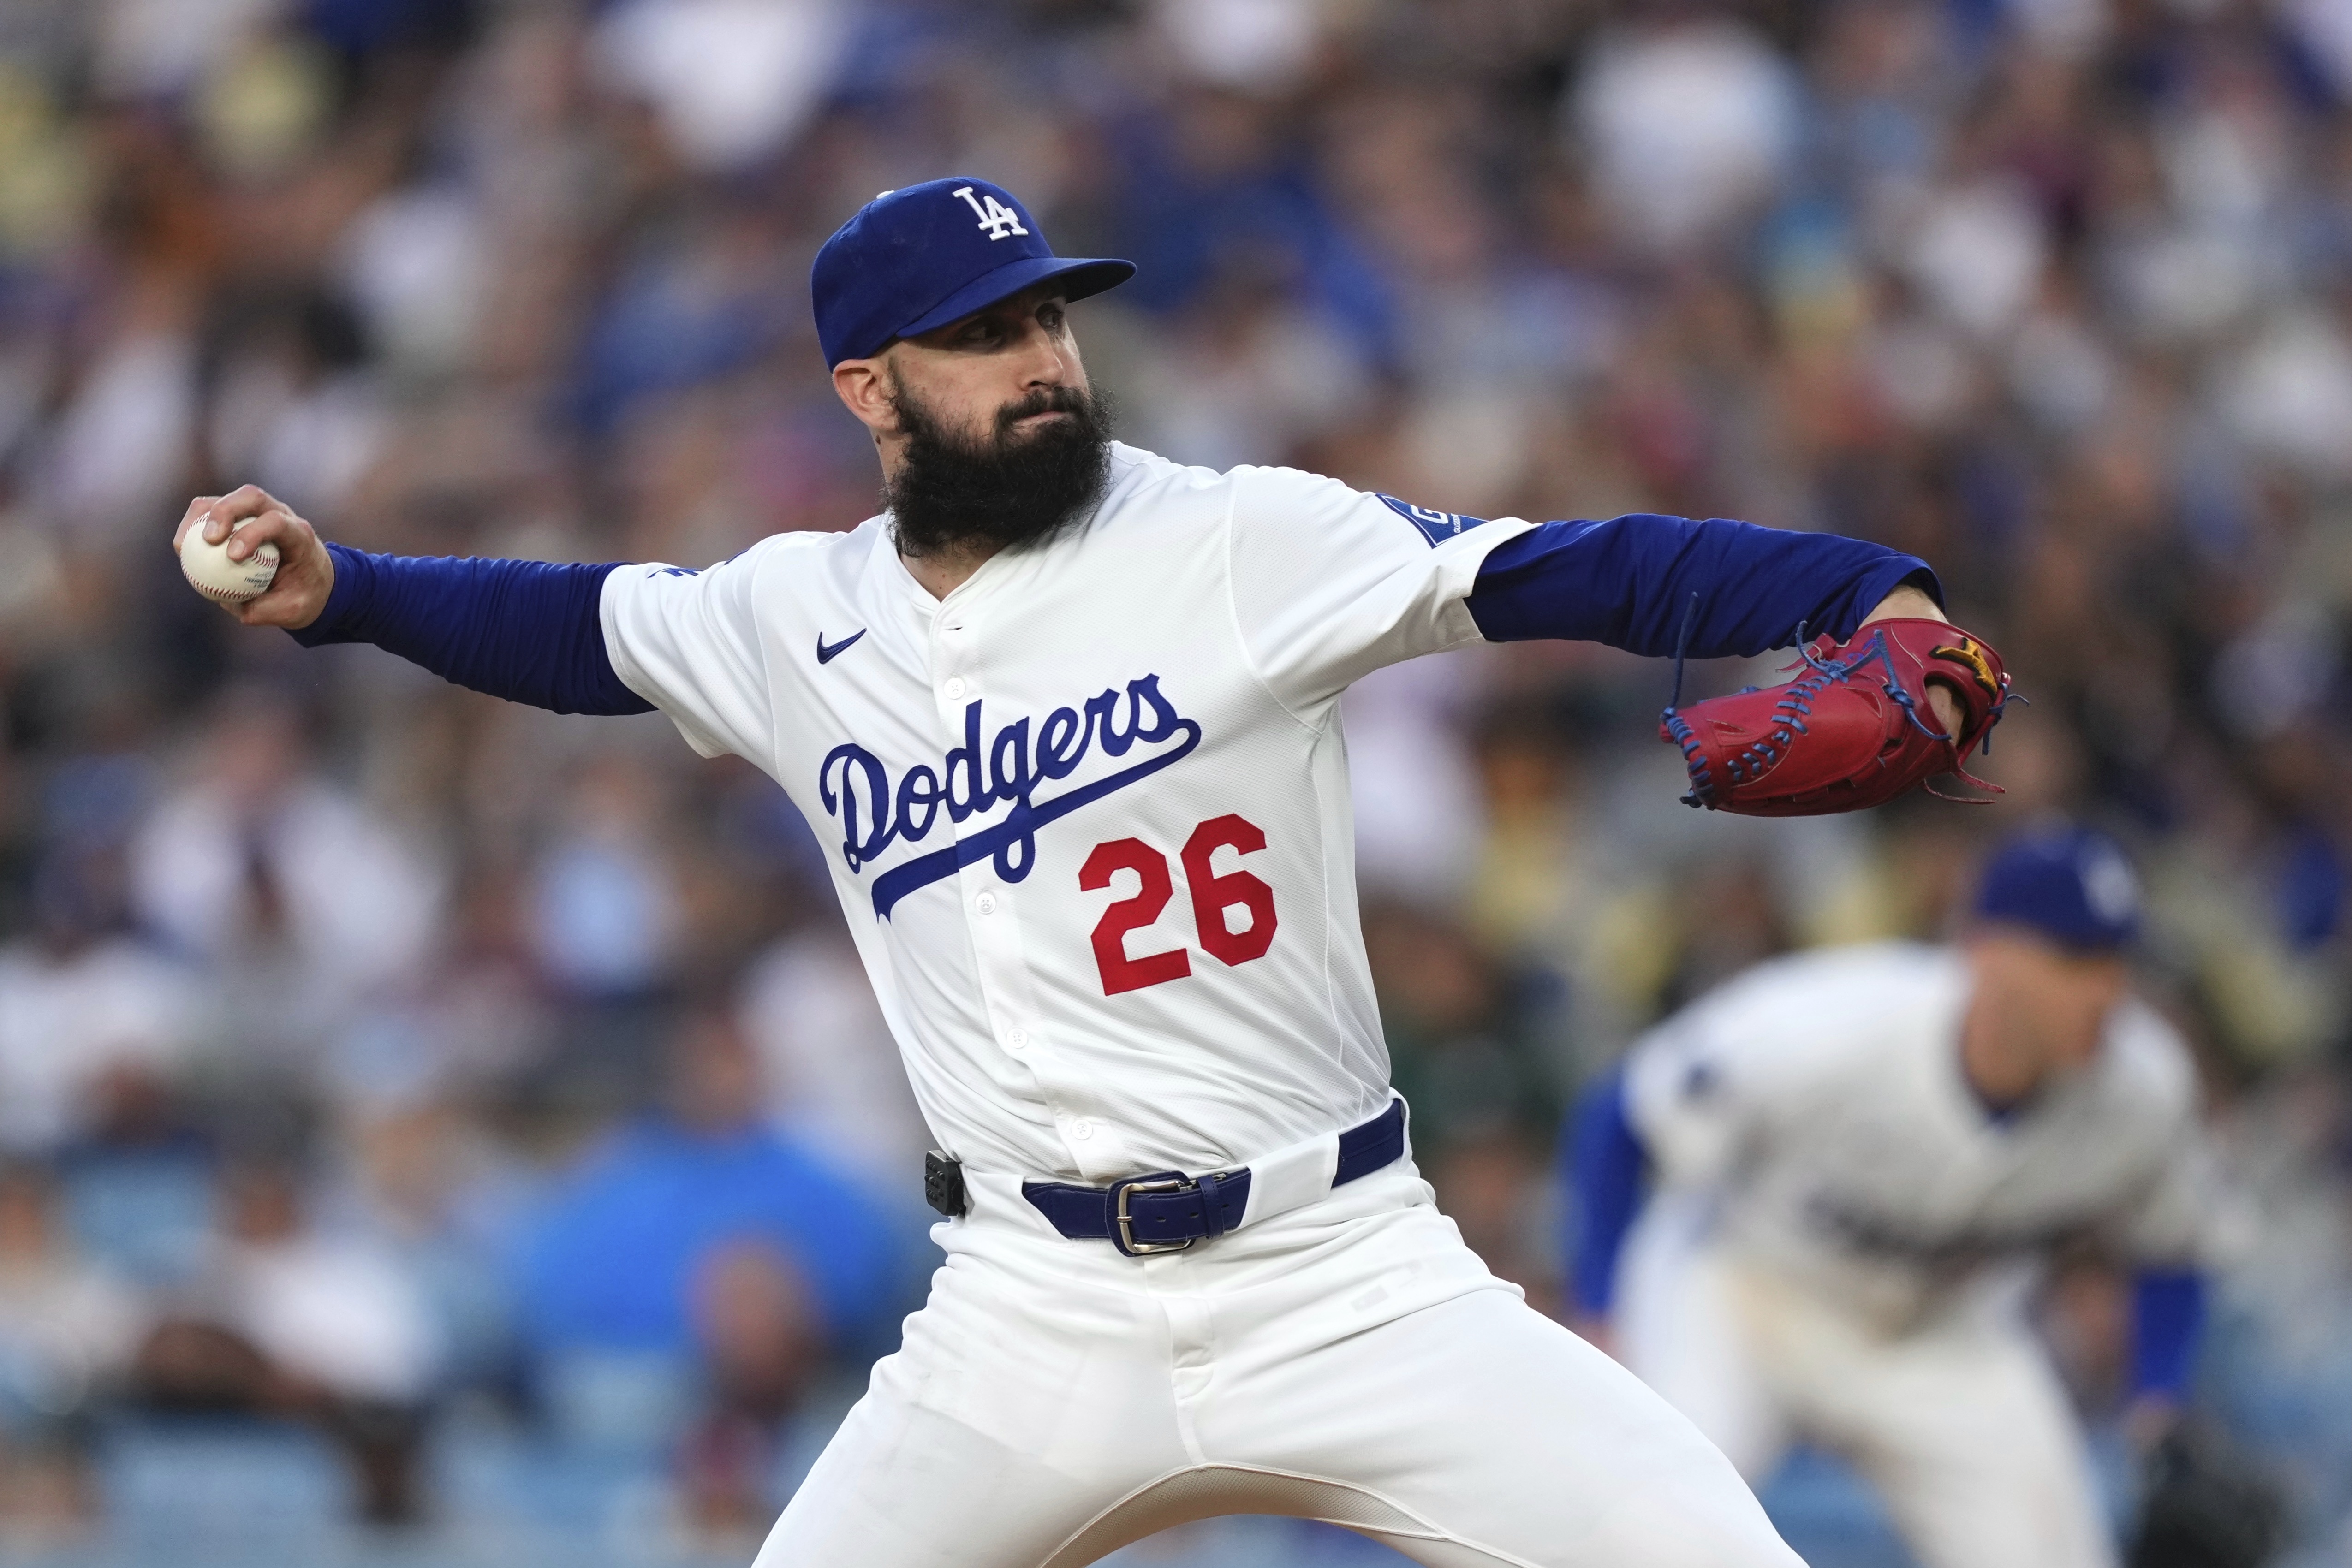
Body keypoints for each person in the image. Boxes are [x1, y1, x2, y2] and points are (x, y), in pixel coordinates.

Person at [175, 175, 1971, 1567]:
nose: (1042, 359)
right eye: (984, 335)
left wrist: (1862, 591)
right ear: (869, 387)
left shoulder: (1242, 538)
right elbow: (579, 627)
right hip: (1024, 1313)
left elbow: (1586, 567)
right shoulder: (791, 614)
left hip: (1343, 1269)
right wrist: (350, 595)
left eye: (1049, 316)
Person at [1566, 826, 2215, 1568]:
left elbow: (2175, 1245)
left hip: (1944, 1328)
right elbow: (1622, 1117)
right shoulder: (1833, 1025)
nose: (2105, 992)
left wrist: (2158, 1405)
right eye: (2076, 961)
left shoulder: (2144, 1088)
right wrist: (1599, 1310)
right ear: (1986, 951)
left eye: (2116, 963)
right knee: (1647, 1534)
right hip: (1747, 1292)